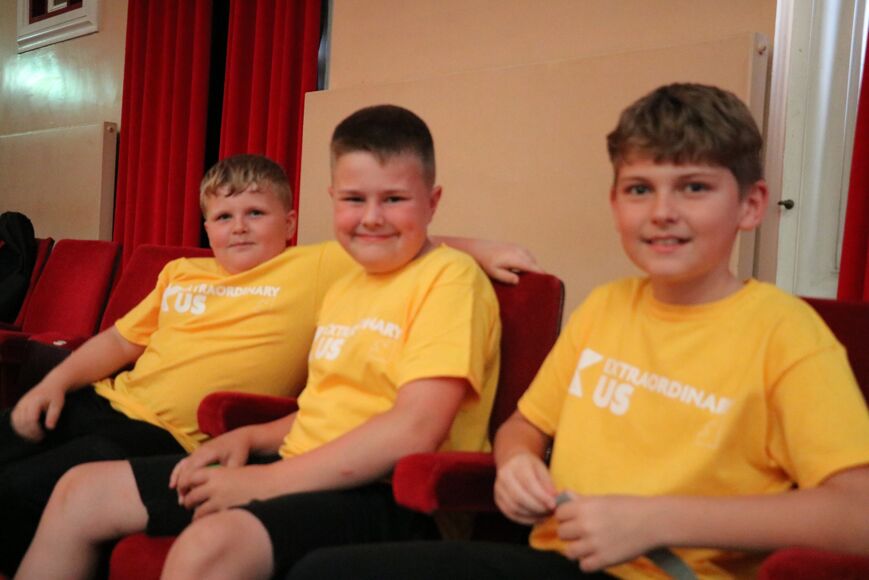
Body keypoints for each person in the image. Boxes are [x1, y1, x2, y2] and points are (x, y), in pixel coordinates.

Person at [283, 83, 869, 580]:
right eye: (639, 189)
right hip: (554, 560)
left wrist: (658, 520)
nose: (662, 211)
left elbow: (858, 515)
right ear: (615, 204)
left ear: (751, 204)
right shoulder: (607, 308)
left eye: (694, 187)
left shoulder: (786, 334)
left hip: (664, 572)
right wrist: (517, 463)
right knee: (323, 571)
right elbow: (524, 427)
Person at [16, 104, 504, 580]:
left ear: (432, 203)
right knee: (82, 491)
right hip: (299, 461)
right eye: (354, 200)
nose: (372, 217)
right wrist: (250, 438)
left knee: (208, 546)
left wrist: (264, 480)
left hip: (391, 490)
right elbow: (324, 410)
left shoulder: (448, 278)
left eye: (394, 199)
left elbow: (414, 429)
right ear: (333, 200)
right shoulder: (349, 286)